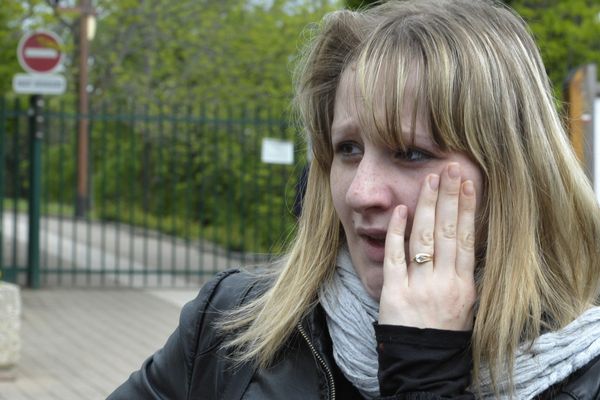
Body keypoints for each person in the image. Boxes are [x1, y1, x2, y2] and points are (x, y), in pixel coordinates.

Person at [108, 0, 600, 398]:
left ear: (511, 175)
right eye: (347, 149)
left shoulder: (586, 372)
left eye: (410, 152)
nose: (361, 191)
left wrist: (424, 374)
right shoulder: (233, 326)